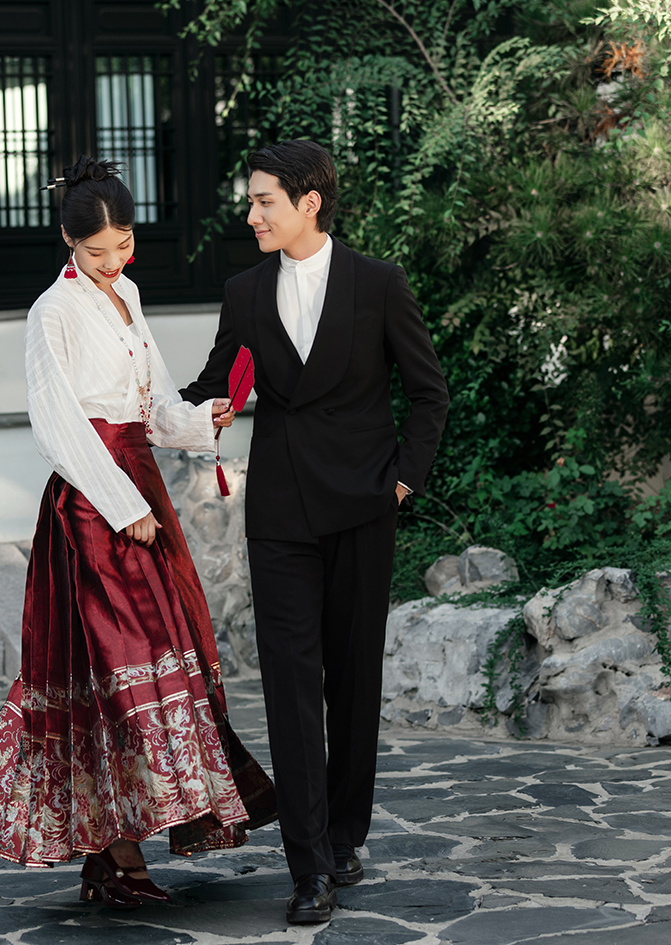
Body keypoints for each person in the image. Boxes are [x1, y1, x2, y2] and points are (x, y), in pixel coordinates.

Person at [0, 156, 277, 910]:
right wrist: (122, 504)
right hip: (94, 503)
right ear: (68, 242)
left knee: (154, 663)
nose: (113, 261)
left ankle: (117, 857)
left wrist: (200, 419)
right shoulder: (51, 311)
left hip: (138, 481)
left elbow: (151, 403)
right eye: (96, 251)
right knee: (113, 673)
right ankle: (114, 858)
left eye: (123, 244)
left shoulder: (126, 294)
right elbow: (57, 422)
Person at [182, 140, 450, 925]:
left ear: (308, 202)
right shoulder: (242, 291)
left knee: (352, 680)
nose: (251, 214)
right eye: (250, 200)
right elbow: (210, 384)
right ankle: (307, 867)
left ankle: (342, 834)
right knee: (290, 687)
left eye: (263, 200)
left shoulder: (378, 282)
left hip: (362, 506)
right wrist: (161, 402)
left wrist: (401, 480)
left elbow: (428, 392)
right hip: (279, 514)